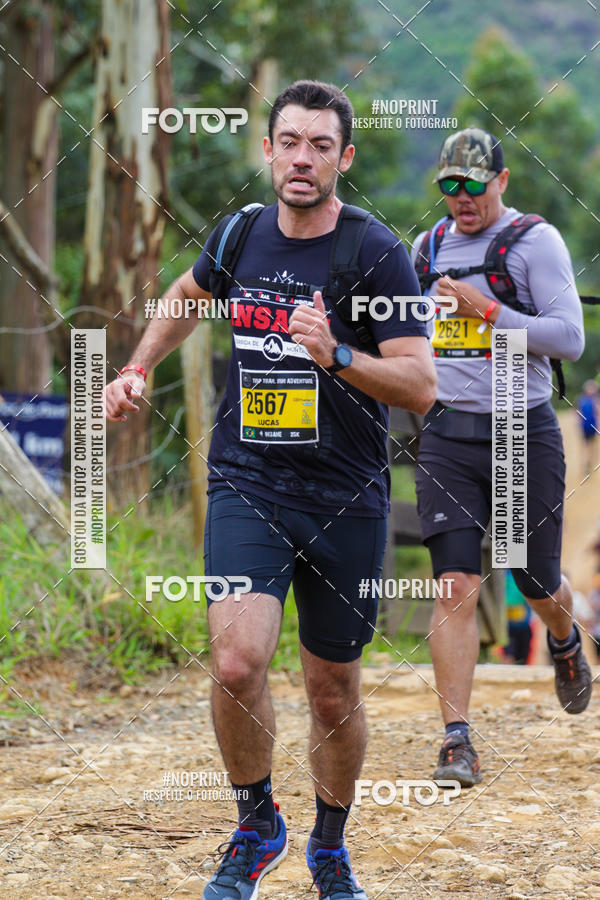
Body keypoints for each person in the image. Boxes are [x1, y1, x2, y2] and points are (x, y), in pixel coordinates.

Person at [105, 80, 436, 899]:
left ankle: (328, 843)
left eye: (321, 146)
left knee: (332, 690)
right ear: (268, 150)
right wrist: (139, 364)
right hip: (247, 481)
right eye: (289, 141)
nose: (302, 158)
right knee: (235, 661)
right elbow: (186, 295)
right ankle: (257, 825)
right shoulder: (240, 234)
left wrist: (339, 357)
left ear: (343, 158)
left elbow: (423, 385)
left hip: (347, 496)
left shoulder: (374, 252)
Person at [411, 126, 592, 787]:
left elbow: (568, 337)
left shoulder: (533, 242)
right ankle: (456, 740)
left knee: (532, 580)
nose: (461, 199)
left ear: (502, 182)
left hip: (520, 434)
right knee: (455, 584)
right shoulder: (427, 248)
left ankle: (566, 642)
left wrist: (486, 308)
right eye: (449, 187)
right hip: (448, 436)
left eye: (474, 186)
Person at [577, 379, 599, 475]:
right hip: (584, 427)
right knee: (585, 446)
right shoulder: (581, 399)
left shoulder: (596, 400)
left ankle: (589, 464)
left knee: (591, 446)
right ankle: (585, 464)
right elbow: (578, 412)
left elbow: (597, 413)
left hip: (593, 426)